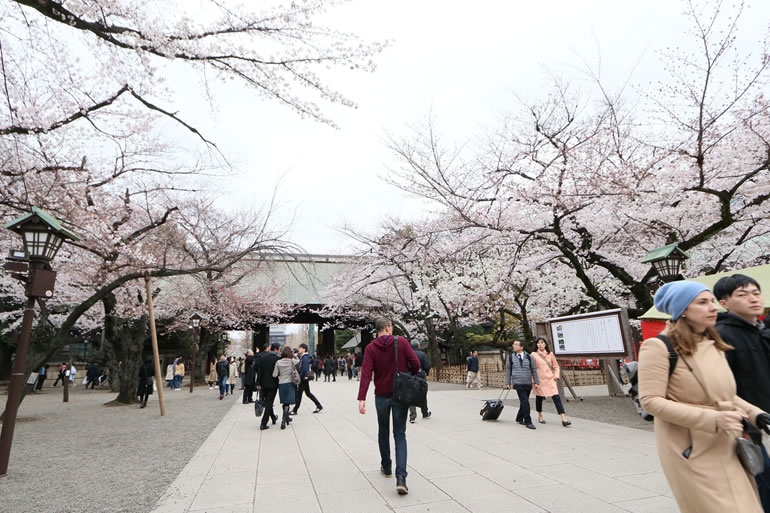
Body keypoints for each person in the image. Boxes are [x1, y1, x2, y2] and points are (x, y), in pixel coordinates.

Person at [639, 281, 770, 513]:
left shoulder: (714, 344)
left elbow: (727, 396)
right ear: (682, 311)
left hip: (728, 443)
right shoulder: (659, 347)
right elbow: (650, 401)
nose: (712, 307)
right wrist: (712, 419)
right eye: (702, 302)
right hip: (691, 448)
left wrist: (756, 414)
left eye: (711, 301)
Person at [714, 274, 770, 510]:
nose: (752, 299)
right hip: (748, 423)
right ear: (724, 303)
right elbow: (719, 385)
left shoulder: (763, 330)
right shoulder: (720, 335)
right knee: (762, 482)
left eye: (755, 293)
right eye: (742, 294)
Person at [358, 317, 421, 495]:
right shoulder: (401, 342)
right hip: (400, 395)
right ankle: (401, 478)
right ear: (388, 328)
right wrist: (412, 374)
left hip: (381, 397)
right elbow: (415, 364)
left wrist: (362, 397)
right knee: (400, 434)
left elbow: (366, 373)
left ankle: (386, 467)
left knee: (383, 431)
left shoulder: (370, 348)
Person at [531, 337, 571, 427]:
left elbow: (556, 366)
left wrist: (556, 376)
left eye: (542, 342)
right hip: (539, 379)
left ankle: (563, 418)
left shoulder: (550, 354)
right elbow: (531, 368)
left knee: (556, 397)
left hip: (550, 379)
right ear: (536, 345)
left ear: (545, 344)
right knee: (539, 398)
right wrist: (534, 380)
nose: (540, 344)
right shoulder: (533, 355)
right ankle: (540, 415)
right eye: (538, 343)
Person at [504, 340, 539, 430]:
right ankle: (528, 421)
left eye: (516, 345)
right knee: (525, 401)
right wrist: (507, 382)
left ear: (521, 347)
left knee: (524, 401)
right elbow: (508, 371)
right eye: (514, 344)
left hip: (527, 382)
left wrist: (536, 382)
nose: (514, 346)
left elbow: (534, 369)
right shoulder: (511, 357)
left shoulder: (529, 356)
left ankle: (519, 417)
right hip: (518, 382)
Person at [272, 346, 299, 429]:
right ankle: (284, 419)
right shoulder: (292, 361)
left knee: (284, 402)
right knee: (288, 402)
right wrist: (294, 354)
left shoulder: (278, 362)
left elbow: (274, 374)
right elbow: (298, 360)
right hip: (290, 383)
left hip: (282, 383)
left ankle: (286, 418)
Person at [292, 343, 323, 415]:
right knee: (308, 393)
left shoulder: (305, 357)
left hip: (303, 378)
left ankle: (295, 410)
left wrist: (300, 376)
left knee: (299, 394)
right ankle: (319, 405)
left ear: (304, 349)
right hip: (304, 378)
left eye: (300, 348)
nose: (299, 349)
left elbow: (304, 369)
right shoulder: (304, 357)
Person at [257, 343, 281, 430]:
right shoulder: (277, 359)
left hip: (263, 383)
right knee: (269, 403)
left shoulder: (263, 357)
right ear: (276, 349)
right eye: (279, 349)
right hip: (273, 384)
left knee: (267, 402)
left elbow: (259, 371)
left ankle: (273, 417)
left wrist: (258, 382)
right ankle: (263, 423)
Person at [408, 341, 431, 424]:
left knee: (411, 395)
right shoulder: (422, 354)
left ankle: (412, 416)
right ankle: (425, 413)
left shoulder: (407, 354)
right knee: (422, 394)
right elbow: (427, 365)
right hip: (420, 376)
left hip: (410, 376)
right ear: (418, 346)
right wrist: (427, 372)